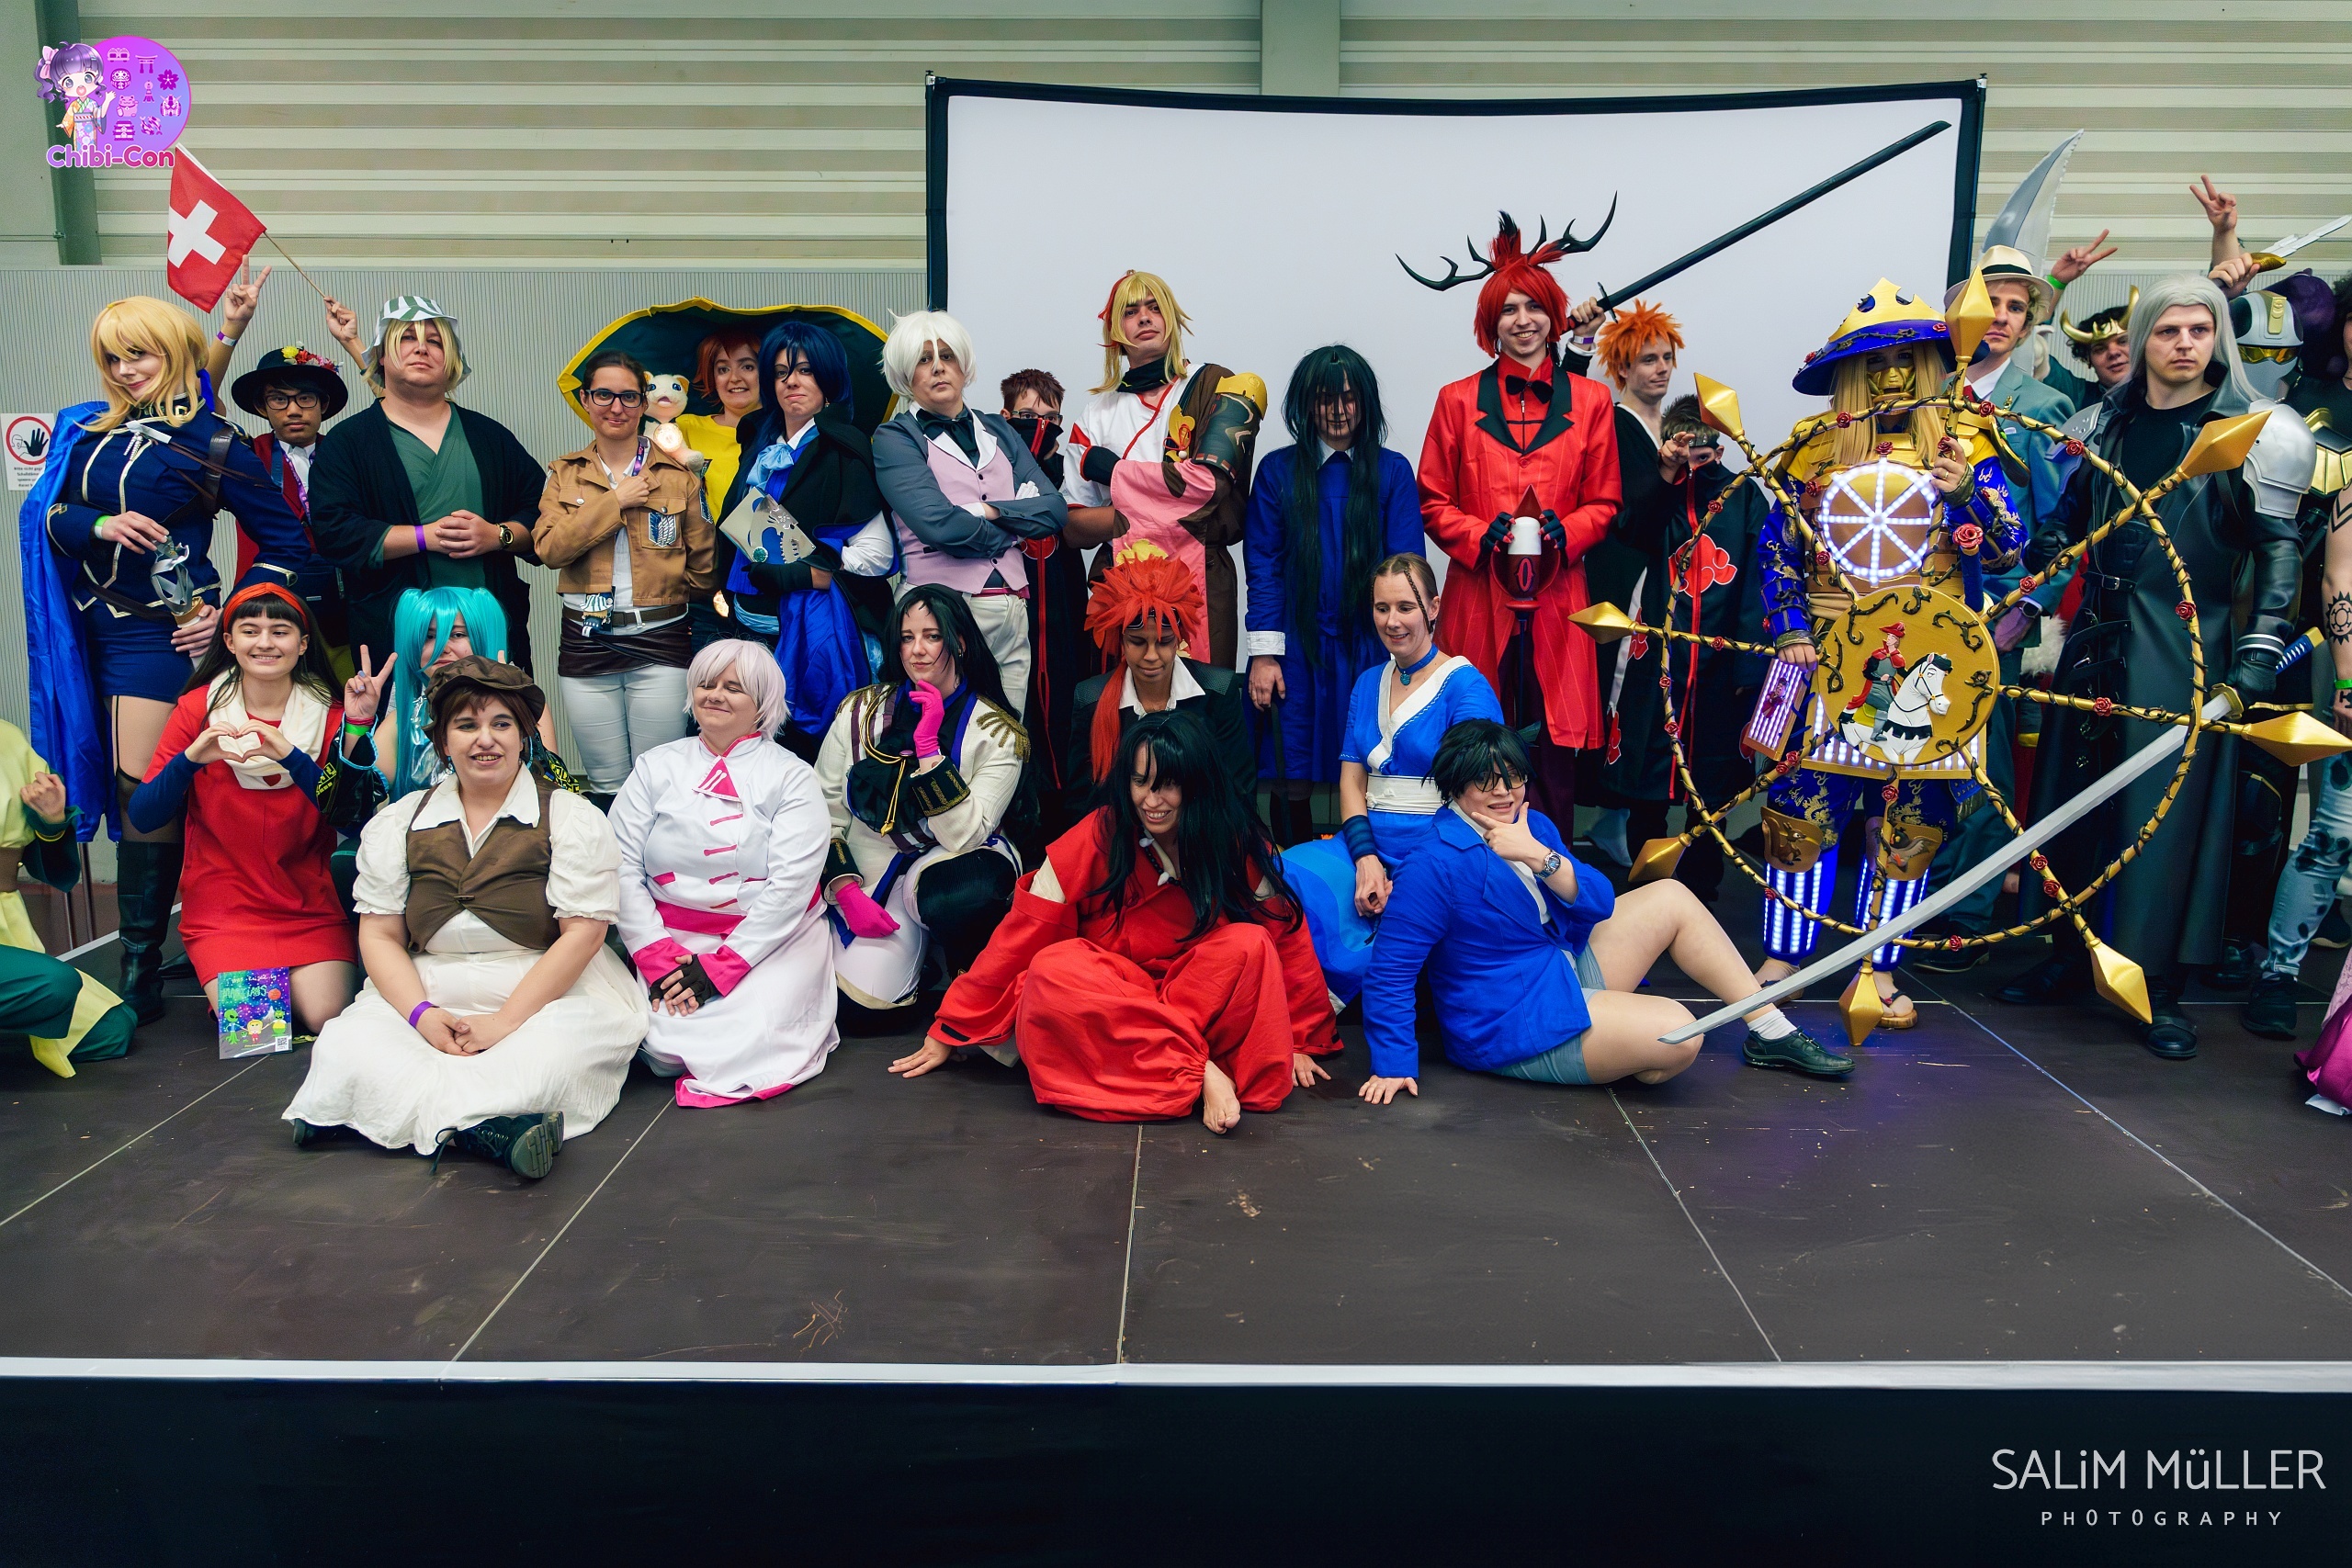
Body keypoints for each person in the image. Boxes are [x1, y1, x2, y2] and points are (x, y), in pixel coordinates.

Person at [1998, 274, 2316, 1058]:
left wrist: (2258, 650)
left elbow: (2279, 551)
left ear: (2218, 339)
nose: (2184, 344)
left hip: (2182, 649)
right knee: (2072, 805)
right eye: (2169, 330)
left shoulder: (2252, 430)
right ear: (2144, 339)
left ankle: (2156, 985)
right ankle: (2070, 952)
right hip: (2093, 642)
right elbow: (2065, 523)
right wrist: (2041, 570)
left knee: (2165, 818)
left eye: (2199, 331)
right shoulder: (2100, 422)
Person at [28, 295, 315, 1023]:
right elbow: (50, 516)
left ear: (178, 353)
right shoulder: (85, 430)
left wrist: (229, 616)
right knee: (134, 784)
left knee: (148, 787)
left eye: (140, 354)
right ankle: (152, 957)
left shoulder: (213, 443)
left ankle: (142, 962)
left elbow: (288, 542)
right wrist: (98, 522)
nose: (126, 370)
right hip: (80, 630)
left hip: (161, 635)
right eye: (113, 357)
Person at [1751, 282, 2027, 1028]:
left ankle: (1878, 965)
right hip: (1826, 655)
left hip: (1931, 657)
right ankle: (1784, 958)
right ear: (1851, 374)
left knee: (1911, 819)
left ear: (1933, 364)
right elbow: (1776, 549)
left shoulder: (1968, 439)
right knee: (1802, 808)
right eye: (1875, 361)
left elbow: (2010, 547)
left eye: (1908, 358)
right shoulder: (1814, 446)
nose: (1894, 374)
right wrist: (1790, 628)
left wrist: (1966, 494)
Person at [282, 658, 650, 1179]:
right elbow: (380, 936)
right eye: (467, 725)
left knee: (544, 1058)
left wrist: (504, 1022)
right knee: (346, 1046)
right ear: (442, 741)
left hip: (546, 990)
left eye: (502, 724)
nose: (486, 740)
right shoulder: (401, 820)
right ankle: (490, 1130)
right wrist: (422, 1016)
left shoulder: (570, 816)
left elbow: (583, 936)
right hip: (430, 982)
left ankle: (375, 1117)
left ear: (524, 736)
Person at [1358, 719, 1852, 1104]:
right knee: (1680, 1035)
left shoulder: (1530, 825)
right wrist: (1393, 1065)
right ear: (1454, 786)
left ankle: (1770, 1029)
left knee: (1670, 896)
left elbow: (1598, 903)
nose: (1505, 792)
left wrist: (1538, 855)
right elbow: (1390, 971)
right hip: (1507, 1016)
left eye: (1514, 778)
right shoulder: (1433, 863)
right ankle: (1611, 1040)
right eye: (1487, 782)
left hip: (1558, 967)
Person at [907, 709, 1339, 1131]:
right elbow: (1023, 931)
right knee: (1051, 970)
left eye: (1168, 785)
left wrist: (1301, 1037)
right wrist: (953, 1023)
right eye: (1140, 782)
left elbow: (1283, 931)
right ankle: (1201, 1071)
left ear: (1196, 783)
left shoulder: (1231, 835)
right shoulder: (1099, 831)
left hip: (1193, 998)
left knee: (1251, 944)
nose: (1151, 801)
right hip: (1118, 999)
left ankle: (1162, 1068)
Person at [1410, 213, 1624, 826]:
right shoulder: (1455, 399)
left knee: (1554, 750)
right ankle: (1472, 869)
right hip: (1478, 598)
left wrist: (1568, 531)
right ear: (1490, 323)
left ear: (1554, 316)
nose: (1522, 320)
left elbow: (1605, 500)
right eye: (1508, 310)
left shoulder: (1592, 400)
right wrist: (1480, 535)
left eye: (1534, 307)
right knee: (1474, 736)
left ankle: (1552, 869)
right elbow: (1432, 499)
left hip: (1560, 599)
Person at [1911, 248, 2082, 968]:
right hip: (1922, 604)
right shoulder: (1923, 393)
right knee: (1922, 752)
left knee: (1984, 767)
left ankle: (1968, 917)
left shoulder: (2042, 406)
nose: (2002, 317)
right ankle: (1919, 899)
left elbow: (2064, 523)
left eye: (2016, 306)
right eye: (1990, 304)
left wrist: (2031, 604)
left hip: (1997, 609)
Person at [126, 585, 381, 1032]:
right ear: (229, 642)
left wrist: (292, 755)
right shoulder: (196, 709)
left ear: (303, 643)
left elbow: (355, 820)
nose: (265, 643)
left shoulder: (333, 714)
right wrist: (190, 760)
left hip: (308, 902)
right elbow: (145, 816)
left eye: (280, 631)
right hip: (225, 906)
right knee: (257, 1029)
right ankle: (228, 975)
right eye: (250, 631)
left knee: (327, 1018)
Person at [612, 640, 836, 1106]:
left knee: (750, 1041)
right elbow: (618, 864)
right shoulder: (655, 766)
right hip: (671, 937)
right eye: (706, 684)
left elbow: (791, 888)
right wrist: (655, 954)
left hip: (772, 941)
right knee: (663, 1050)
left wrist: (726, 965)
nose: (714, 695)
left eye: (733, 688)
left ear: (763, 704)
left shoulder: (792, 776)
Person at [1280, 555, 1502, 1010]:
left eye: (1405, 607)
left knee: (1404, 922)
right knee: (1284, 875)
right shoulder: (1367, 684)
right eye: (1381, 608)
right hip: (1366, 844)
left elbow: (1482, 802)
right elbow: (1351, 782)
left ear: (1434, 607)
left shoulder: (1466, 687)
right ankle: (1297, 1011)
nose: (1392, 621)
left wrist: (1417, 873)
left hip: (1440, 853)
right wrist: (1366, 859)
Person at [1242, 344, 1425, 846]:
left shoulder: (1391, 472)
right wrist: (1265, 656)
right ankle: (1295, 870)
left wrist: (1411, 653)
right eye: (1326, 398)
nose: (1339, 410)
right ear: (1307, 404)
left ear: (1365, 402)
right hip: (1296, 644)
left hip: (1372, 646)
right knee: (1292, 760)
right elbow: (1264, 567)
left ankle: (1371, 864)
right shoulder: (1278, 472)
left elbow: (1407, 567)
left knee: (1375, 756)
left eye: (1349, 398)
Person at [815, 585, 1027, 1014]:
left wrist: (929, 749)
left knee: (962, 895)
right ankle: (919, 963)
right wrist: (845, 890)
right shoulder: (858, 712)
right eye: (907, 637)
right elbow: (822, 811)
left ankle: (964, 963)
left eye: (933, 636)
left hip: (953, 861)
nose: (917, 650)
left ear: (960, 642)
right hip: (870, 865)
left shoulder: (998, 731)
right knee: (858, 1009)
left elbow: (964, 836)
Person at [307, 299, 546, 676]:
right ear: (380, 357)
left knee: (497, 711)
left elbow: (544, 515)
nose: (421, 348)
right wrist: (424, 537)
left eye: (435, 341)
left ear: (452, 361)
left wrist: (497, 535)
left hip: (488, 626)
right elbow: (335, 532)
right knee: (400, 714)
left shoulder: (490, 437)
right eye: (407, 339)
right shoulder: (349, 442)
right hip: (394, 632)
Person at [1596, 394, 1770, 901]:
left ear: (1721, 448)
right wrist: (1665, 472)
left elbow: (1757, 581)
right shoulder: (1660, 494)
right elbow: (1632, 531)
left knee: (1711, 784)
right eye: (1686, 450)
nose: (1698, 461)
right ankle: (1646, 889)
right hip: (1657, 662)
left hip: (1720, 664)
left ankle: (1701, 888)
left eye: (1706, 452)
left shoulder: (1744, 496)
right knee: (1648, 780)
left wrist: (1748, 669)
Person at [533, 349, 717, 804]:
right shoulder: (564, 474)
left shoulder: (678, 476)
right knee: (606, 785)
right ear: (586, 399)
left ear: (643, 403)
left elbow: (704, 566)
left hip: (660, 641)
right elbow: (549, 549)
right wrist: (614, 502)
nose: (616, 407)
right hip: (587, 641)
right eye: (604, 395)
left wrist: (665, 598)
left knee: (661, 784)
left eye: (628, 397)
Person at [1062, 271, 1264, 667]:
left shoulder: (1218, 384)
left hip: (1201, 583)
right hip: (1121, 587)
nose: (1144, 317)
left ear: (1171, 318)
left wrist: (1115, 473)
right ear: (1115, 332)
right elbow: (1073, 526)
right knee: (1122, 701)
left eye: (1155, 307)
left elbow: (1208, 488)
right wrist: (1156, 514)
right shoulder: (1095, 414)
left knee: (1201, 700)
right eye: (1130, 311)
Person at [872, 311, 1067, 721]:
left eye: (947, 356)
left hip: (1012, 608)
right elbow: (940, 526)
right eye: (923, 359)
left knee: (1007, 737)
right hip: (937, 613)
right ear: (905, 374)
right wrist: (1015, 530)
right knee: (941, 734)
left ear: (964, 364)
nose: (938, 367)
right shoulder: (895, 437)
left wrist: (989, 510)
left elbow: (1053, 510)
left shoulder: (999, 429)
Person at [712, 321, 894, 752]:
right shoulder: (759, 446)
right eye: (780, 372)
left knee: (815, 754)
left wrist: (804, 574)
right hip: (746, 629)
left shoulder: (846, 448)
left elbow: (878, 555)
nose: (791, 381)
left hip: (813, 636)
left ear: (829, 378)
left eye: (805, 370)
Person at [1580, 299, 1686, 863]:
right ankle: (1613, 813)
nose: (1661, 369)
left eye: (1666, 358)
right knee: (1621, 693)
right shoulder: (1613, 424)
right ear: (1622, 368)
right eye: (1648, 360)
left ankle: (1618, 817)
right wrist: (1667, 473)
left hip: (1663, 583)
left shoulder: (1670, 428)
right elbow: (1628, 518)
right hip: (1625, 581)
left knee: (1648, 696)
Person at [1069, 556, 1254, 818]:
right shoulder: (1091, 699)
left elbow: (1238, 795)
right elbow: (1083, 806)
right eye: (1137, 642)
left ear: (1179, 638)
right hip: (1120, 837)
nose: (1151, 655)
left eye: (1164, 641)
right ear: (1120, 639)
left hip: (1202, 833)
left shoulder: (1218, 691)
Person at [0, 722, 136, 1076]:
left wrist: (52, 820)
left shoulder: (8, 738)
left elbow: (55, 870)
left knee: (113, 1029)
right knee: (54, 984)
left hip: (6, 918)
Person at [1000, 368, 1091, 842]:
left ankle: (1069, 830)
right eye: (1026, 415)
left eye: (1051, 417)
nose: (1040, 425)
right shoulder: (991, 470)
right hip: (1012, 623)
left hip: (1065, 617)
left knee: (1067, 718)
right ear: (1004, 416)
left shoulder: (1069, 472)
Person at [674, 326, 764, 547]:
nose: (734, 378)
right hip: (702, 556)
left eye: (747, 366)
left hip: (768, 557)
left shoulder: (786, 431)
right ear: (712, 377)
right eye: (723, 369)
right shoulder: (685, 429)